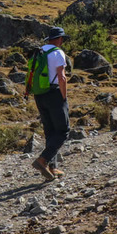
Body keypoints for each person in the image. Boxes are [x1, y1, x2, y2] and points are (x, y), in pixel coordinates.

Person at [30, 26, 70, 181]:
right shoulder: (58, 52)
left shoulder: (39, 51)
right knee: (63, 130)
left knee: (50, 131)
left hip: (39, 94)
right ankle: (43, 160)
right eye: (62, 39)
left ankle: (52, 168)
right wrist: (63, 97)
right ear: (59, 39)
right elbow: (62, 77)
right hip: (54, 94)